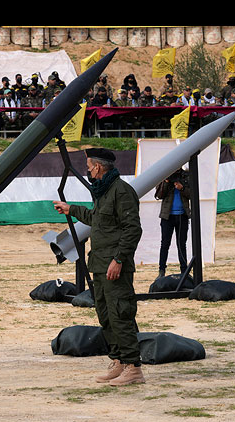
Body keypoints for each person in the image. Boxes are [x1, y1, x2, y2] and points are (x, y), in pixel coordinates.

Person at [53, 148, 144, 386]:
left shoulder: (122, 191)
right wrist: (70, 209)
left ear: (99, 167)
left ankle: (133, 368)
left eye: (90, 167)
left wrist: (119, 259)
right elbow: (97, 219)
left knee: (120, 314)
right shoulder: (103, 193)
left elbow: (132, 229)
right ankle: (118, 361)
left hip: (115, 266)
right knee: (106, 315)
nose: (88, 171)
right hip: (100, 264)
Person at [154, 168, 191, 279]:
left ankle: (184, 271)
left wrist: (182, 188)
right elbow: (159, 195)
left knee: (181, 245)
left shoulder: (186, 176)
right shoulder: (164, 174)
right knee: (165, 244)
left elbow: (192, 194)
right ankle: (161, 270)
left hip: (182, 215)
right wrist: (165, 182)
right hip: (167, 216)